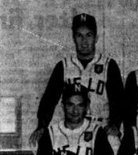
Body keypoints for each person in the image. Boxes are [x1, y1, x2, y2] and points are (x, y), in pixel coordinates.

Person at [32, 13, 124, 144]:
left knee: (114, 144)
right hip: (71, 127)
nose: (84, 41)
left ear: (96, 37)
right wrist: (41, 126)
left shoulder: (108, 65)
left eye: (89, 35)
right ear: (73, 38)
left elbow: (119, 101)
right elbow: (49, 100)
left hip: (100, 127)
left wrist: (115, 124)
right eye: (79, 35)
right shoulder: (63, 66)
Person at [31, 83, 114, 155]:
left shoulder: (96, 131)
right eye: (70, 105)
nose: (75, 111)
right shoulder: (51, 132)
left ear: (87, 106)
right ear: (63, 105)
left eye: (80, 105)